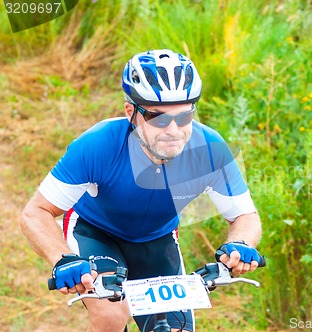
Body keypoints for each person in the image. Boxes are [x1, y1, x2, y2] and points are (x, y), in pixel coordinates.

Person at [20, 49, 264, 332]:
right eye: (158, 118)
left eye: (184, 117)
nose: (173, 129)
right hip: (95, 232)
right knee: (111, 316)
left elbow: (244, 215)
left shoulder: (210, 149)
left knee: (177, 329)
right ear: (131, 113)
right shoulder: (98, 145)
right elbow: (35, 212)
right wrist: (62, 260)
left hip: (156, 239)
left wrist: (242, 245)